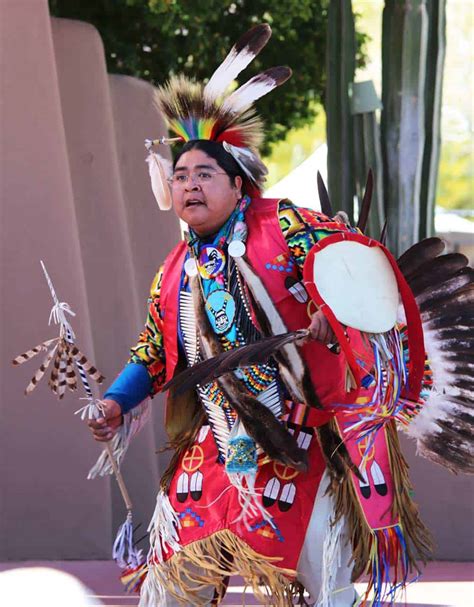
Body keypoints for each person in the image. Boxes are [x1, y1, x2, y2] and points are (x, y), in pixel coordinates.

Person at [88, 24, 432, 607]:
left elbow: (355, 268)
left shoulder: (286, 228)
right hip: (215, 454)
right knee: (169, 593)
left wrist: (331, 314)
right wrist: (116, 402)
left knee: (329, 586)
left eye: (204, 174)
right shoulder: (173, 273)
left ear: (239, 186)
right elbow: (152, 351)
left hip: (296, 442)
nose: (189, 184)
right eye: (179, 175)